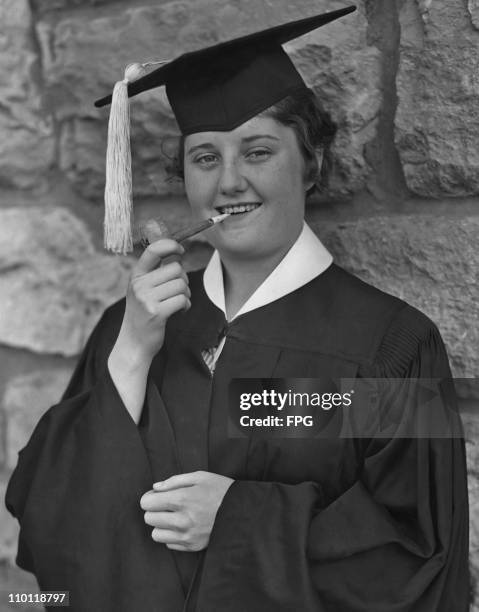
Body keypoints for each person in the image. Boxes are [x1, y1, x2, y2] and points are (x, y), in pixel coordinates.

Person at [5, 6, 469, 611]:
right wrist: (131, 352)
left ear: (312, 162)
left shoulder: (390, 347)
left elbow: (419, 556)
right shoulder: (134, 329)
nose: (228, 182)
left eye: (257, 152)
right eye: (205, 157)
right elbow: (49, 526)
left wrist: (238, 520)